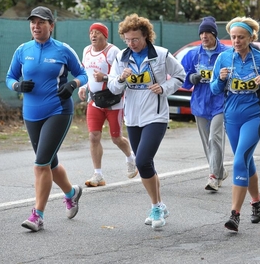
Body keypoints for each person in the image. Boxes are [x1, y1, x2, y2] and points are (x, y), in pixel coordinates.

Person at [5, 6, 88, 231]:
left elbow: (83, 73)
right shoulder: (23, 50)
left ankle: (37, 216)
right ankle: (71, 193)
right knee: (50, 163)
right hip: (31, 114)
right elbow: (10, 76)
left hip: (58, 111)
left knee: (41, 163)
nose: (36, 26)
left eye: (41, 22)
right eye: (33, 22)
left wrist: (73, 84)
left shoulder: (63, 50)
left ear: (51, 25)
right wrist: (17, 85)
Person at [107, 14, 186, 229]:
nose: (132, 44)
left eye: (136, 39)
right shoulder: (121, 58)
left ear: (145, 36)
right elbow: (113, 87)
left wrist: (165, 88)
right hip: (132, 117)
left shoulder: (161, 55)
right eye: (127, 40)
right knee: (146, 164)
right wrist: (121, 78)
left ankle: (155, 206)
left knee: (141, 161)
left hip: (156, 116)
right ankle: (160, 204)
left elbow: (180, 75)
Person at [210, 16, 260, 232]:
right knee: (247, 162)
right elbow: (213, 89)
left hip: (255, 116)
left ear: (251, 37)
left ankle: (235, 214)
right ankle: (257, 201)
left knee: (240, 160)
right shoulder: (222, 58)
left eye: (241, 37)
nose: (237, 41)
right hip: (231, 117)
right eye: (233, 37)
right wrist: (220, 80)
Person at [78, 23, 137, 187]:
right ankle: (98, 175)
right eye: (91, 33)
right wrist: (83, 87)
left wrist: (105, 78)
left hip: (113, 101)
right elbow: (86, 73)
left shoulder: (113, 52)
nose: (93, 36)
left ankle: (131, 158)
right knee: (93, 136)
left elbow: (122, 75)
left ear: (105, 36)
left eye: (97, 33)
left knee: (116, 138)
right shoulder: (86, 51)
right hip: (94, 101)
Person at [181, 16, 230, 191]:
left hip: (220, 101)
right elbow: (182, 76)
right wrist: (190, 78)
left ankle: (213, 176)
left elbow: (236, 73)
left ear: (214, 34)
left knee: (214, 137)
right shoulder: (193, 54)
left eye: (207, 32)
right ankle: (220, 170)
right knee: (206, 141)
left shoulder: (226, 54)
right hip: (200, 102)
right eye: (201, 33)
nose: (204, 36)